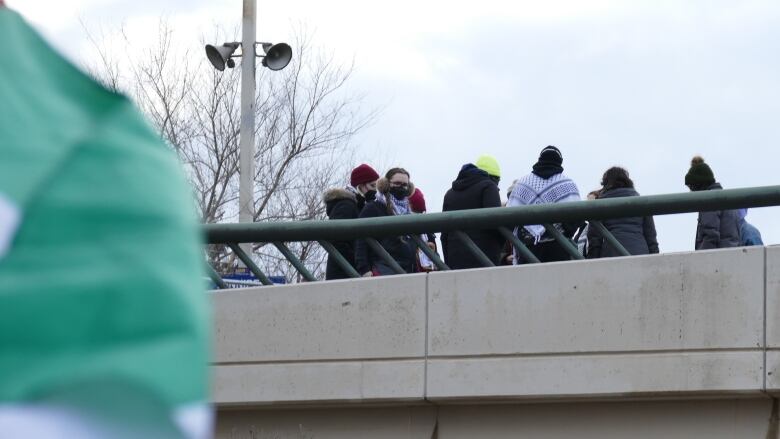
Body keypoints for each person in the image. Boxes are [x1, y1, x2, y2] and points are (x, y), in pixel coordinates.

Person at [507, 145, 581, 263]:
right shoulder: (567, 183)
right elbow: (577, 218)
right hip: (558, 246)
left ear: (540, 159)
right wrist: (565, 231)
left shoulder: (523, 183)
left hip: (527, 247)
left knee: (529, 281)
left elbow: (509, 215)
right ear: (559, 161)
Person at [441, 158, 503, 269]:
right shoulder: (488, 187)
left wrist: (447, 264)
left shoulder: (449, 194)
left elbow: (444, 235)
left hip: (455, 261)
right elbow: (495, 223)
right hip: (485, 260)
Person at [355, 168, 417, 276]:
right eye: (397, 183)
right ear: (387, 184)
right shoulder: (374, 207)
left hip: (407, 270)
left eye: (404, 184)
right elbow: (361, 239)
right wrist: (364, 269)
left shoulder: (409, 213)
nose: (401, 187)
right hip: (382, 270)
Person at [586, 167, 659, 258]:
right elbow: (651, 240)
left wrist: (592, 264)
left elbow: (594, 241)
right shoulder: (642, 203)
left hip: (611, 258)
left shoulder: (600, 204)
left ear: (606, 184)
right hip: (640, 256)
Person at [323, 164, 380, 280]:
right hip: (344, 273)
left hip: (349, 271)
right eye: (373, 185)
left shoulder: (358, 205)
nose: (375, 190)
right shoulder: (346, 205)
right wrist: (359, 261)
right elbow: (338, 240)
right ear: (361, 186)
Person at [685, 156, 741, 250]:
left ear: (699, 185)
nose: (691, 192)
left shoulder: (709, 201)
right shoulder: (727, 199)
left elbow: (710, 236)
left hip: (718, 260)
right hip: (730, 256)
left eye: (691, 187)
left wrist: (701, 261)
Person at [408, 188, 438, 272]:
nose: (418, 217)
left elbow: (436, 258)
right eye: (414, 213)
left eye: (421, 213)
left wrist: (433, 255)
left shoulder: (427, 230)